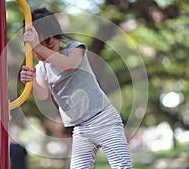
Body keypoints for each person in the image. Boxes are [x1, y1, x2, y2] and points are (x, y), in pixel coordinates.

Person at [20, 7, 133, 169]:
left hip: (104, 119)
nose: (43, 53)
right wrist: (30, 82)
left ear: (59, 38)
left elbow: (68, 66)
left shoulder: (75, 49)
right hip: (81, 129)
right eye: (36, 48)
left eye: (49, 46)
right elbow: (42, 94)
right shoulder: (41, 68)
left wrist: (38, 47)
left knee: (122, 166)